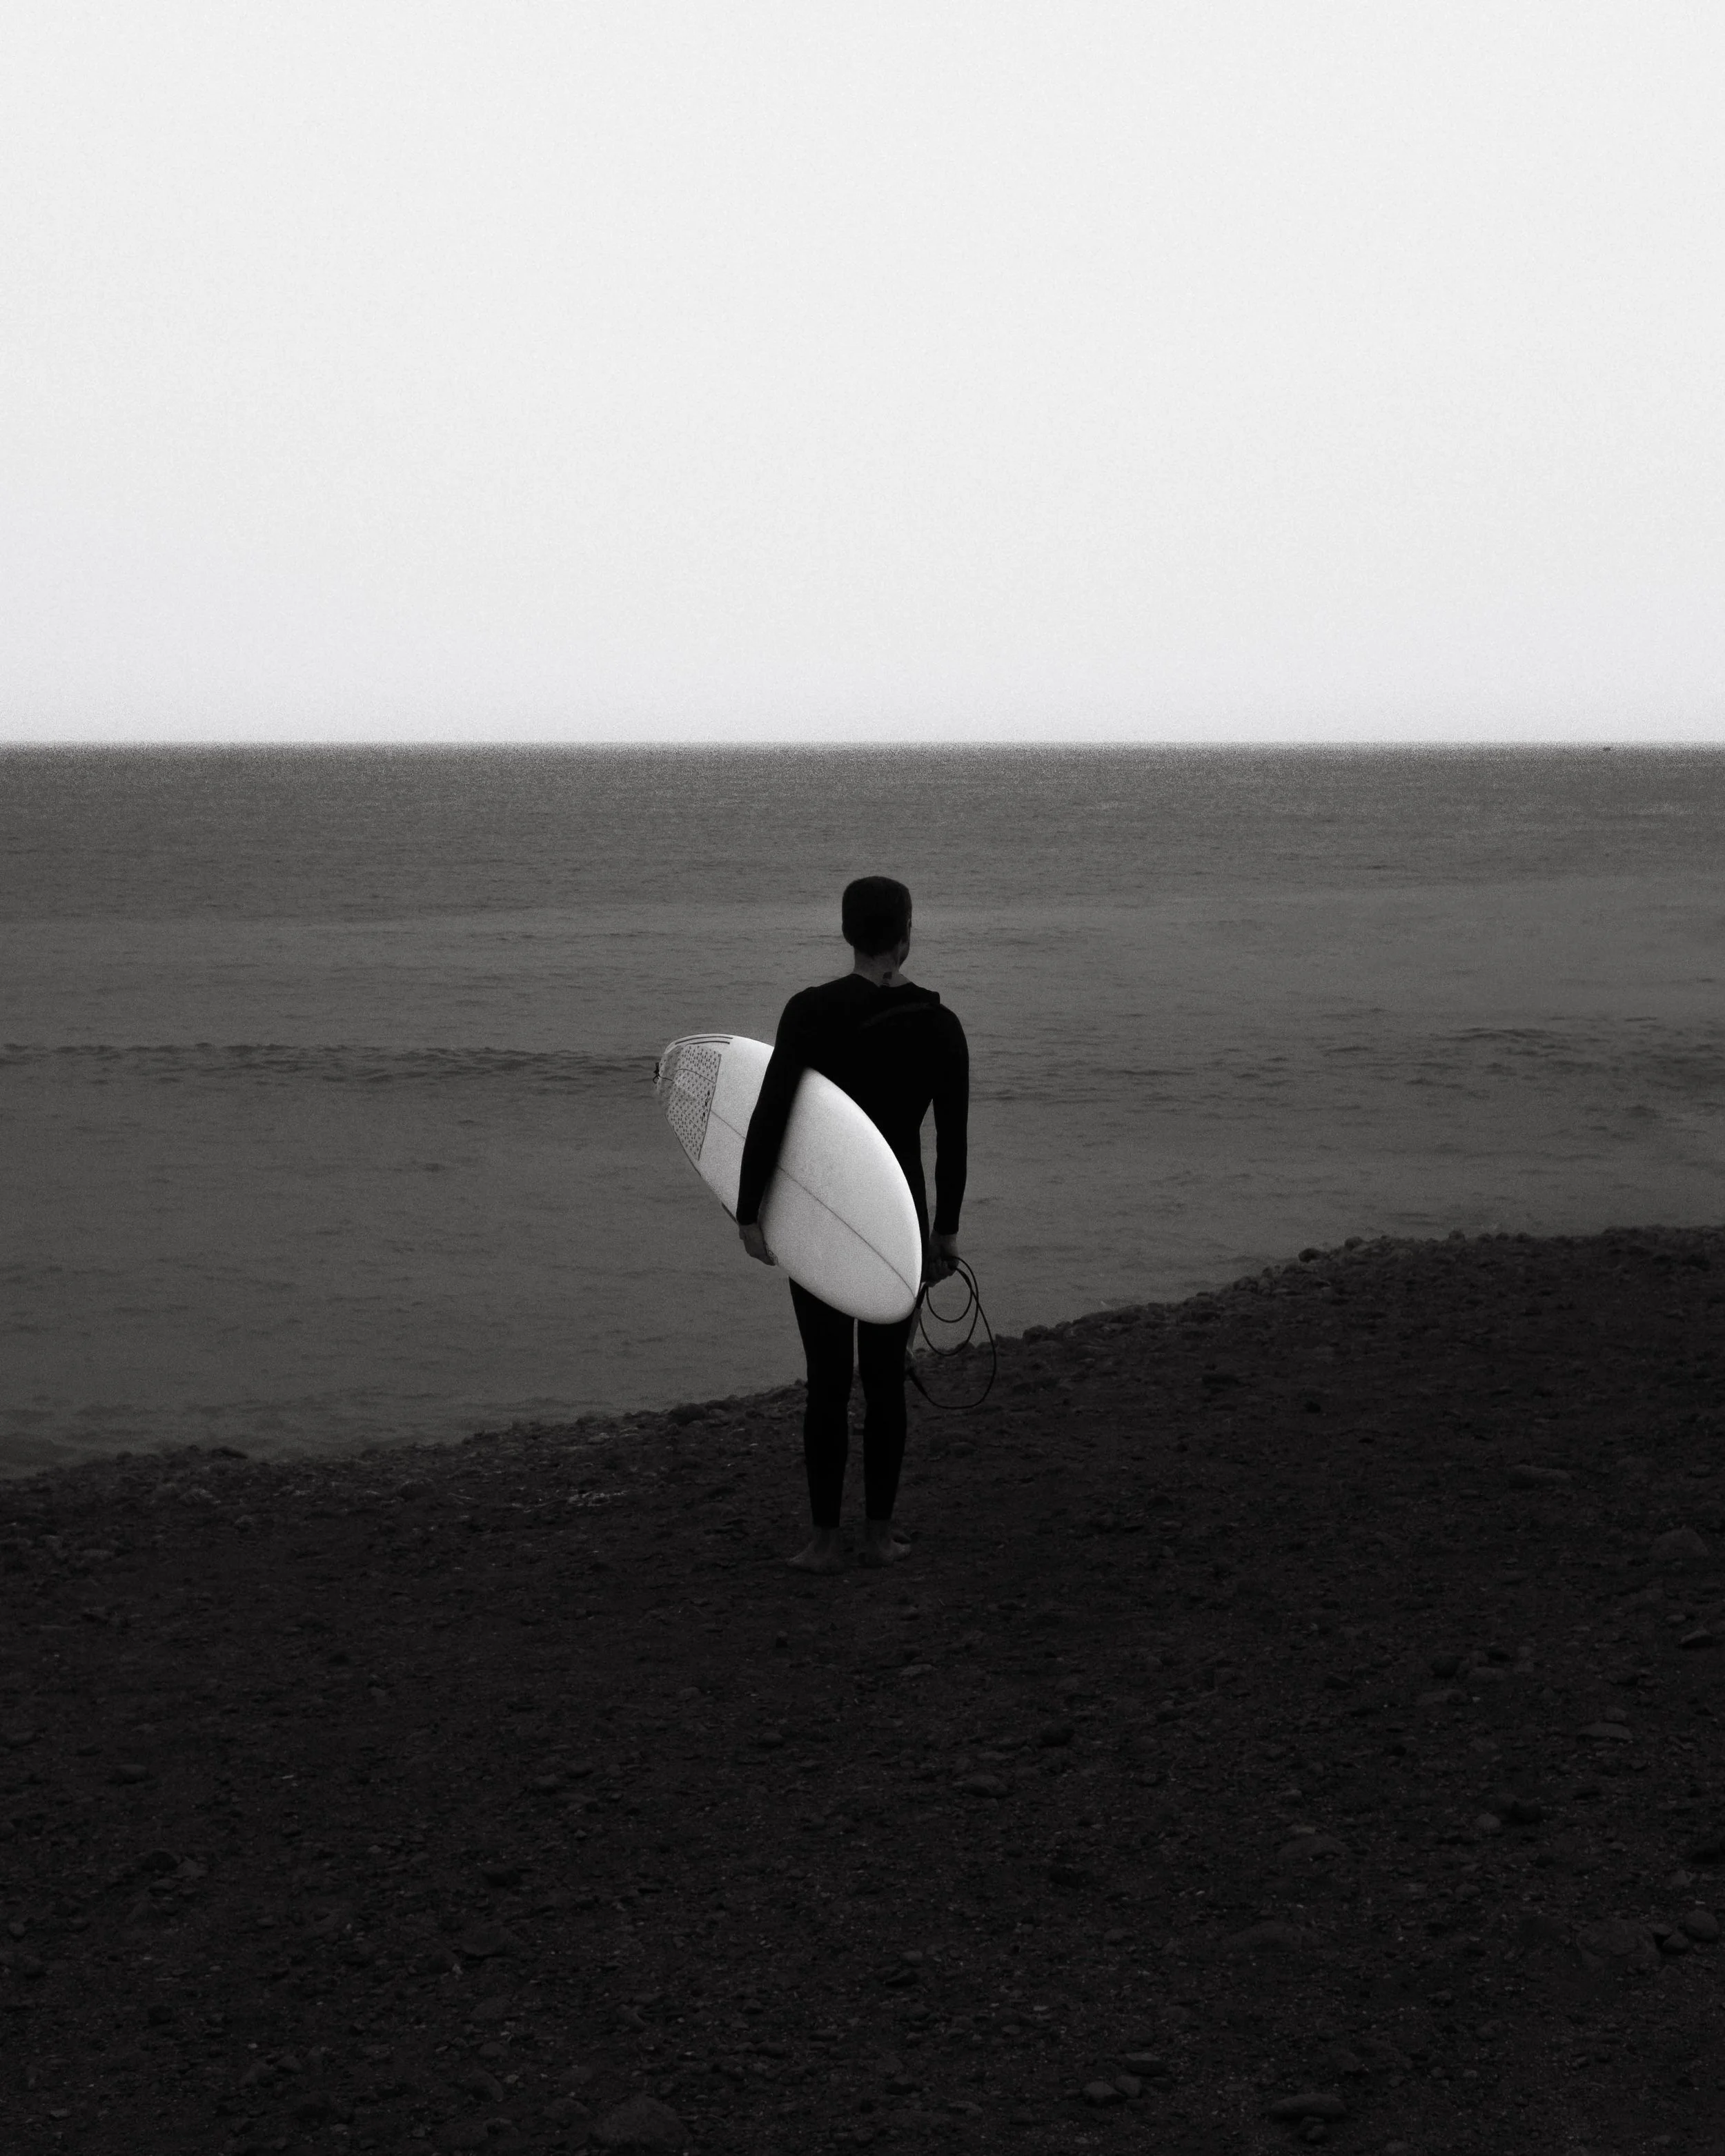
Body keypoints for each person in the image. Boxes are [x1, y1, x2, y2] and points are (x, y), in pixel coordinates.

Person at [735, 876, 969, 1574]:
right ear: (905, 935)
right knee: (887, 1378)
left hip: (820, 1213)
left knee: (828, 1379)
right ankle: (880, 1533)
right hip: (898, 1219)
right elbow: (952, 1139)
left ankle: (823, 1540)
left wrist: (750, 1207)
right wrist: (945, 1232)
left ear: (846, 932)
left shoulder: (810, 1012)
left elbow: (771, 1111)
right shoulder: (937, 1024)